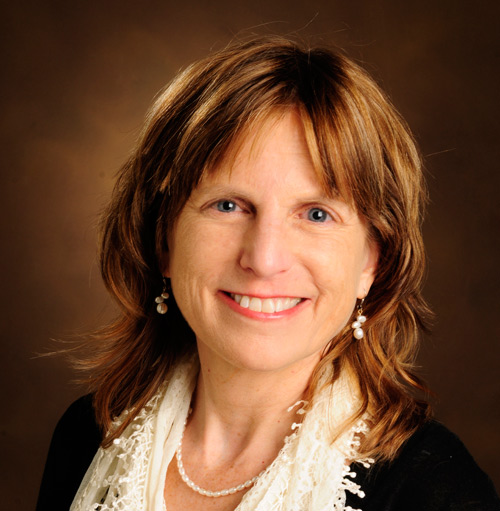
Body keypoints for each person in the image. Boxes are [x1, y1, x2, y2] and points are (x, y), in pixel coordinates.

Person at [37, 37, 500, 511]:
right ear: (163, 241)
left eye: (316, 214)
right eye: (228, 205)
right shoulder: (87, 436)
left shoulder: (437, 490)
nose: (264, 258)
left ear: (371, 262)